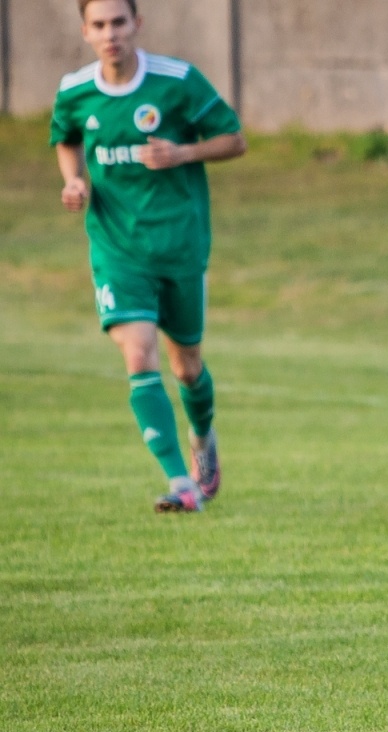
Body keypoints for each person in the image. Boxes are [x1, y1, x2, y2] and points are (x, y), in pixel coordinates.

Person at [51, 0, 246, 512]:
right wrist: (74, 181)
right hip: (117, 248)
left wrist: (183, 153)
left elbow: (234, 139)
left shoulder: (177, 81)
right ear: (85, 31)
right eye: (99, 25)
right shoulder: (74, 91)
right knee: (139, 355)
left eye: (118, 22)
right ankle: (182, 484)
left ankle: (202, 439)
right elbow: (67, 139)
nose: (110, 34)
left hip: (180, 245)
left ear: (137, 24)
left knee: (187, 368)